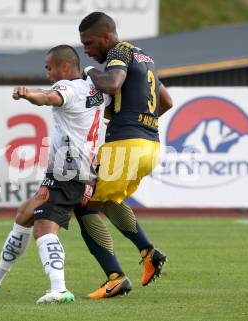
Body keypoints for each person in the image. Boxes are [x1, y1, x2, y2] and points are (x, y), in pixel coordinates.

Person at [0, 44, 131, 304]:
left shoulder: (66, 87)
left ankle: (59, 288)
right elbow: (112, 106)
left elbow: (48, 97)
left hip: (67, 169)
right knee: (25, 214)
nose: (47, 73)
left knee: (44, 227)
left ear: (64, 67)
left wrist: (27, 94)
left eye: (49, 67)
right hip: (79, 168)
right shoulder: (98, 89)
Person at [74, 12, 174, 298]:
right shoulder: (143, 56)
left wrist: (91, 73)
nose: (87, 50)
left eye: (90, 43)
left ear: (107, 37)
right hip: (150, 146)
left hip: (127, 145)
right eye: (83, 45)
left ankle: (115, 277)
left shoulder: (118, 53)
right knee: (107, 200)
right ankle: (149, 252)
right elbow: (166, 101)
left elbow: (112, 84)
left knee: (83, 205)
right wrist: (130, 116)